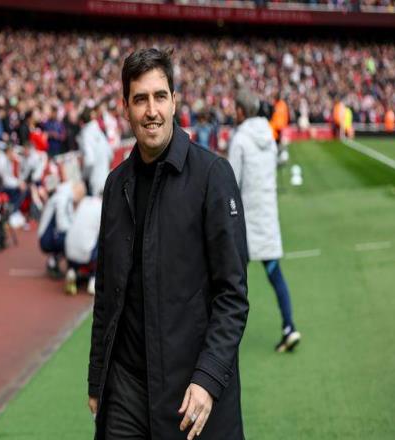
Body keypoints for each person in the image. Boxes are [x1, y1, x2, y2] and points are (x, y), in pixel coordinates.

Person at [88, 48, 249, 440]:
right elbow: (107, 293)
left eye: (160, 97)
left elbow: (232, 295)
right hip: (125, 389)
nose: (151, 111)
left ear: (175, 101)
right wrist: (97, 377)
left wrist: (208, 377)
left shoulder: (213, 176)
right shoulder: (116, 185)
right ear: (125, 107)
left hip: (188, 388)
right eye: (140, 99)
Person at [228, 87, 301, 353]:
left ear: (241, 111)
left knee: (231, 279)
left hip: (245, 219)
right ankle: (289, 326)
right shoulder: (268, 136)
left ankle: (223, 337)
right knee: (274, 273)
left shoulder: (239, 139)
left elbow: (231, 182)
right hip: (267, 214)